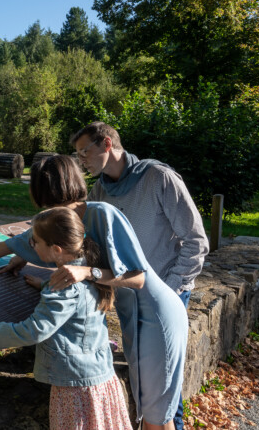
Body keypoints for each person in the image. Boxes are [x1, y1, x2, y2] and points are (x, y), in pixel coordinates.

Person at [0, 155, 188, 429]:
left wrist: (87, 273)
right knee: (147, 408)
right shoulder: (56, 227)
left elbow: (138, 278)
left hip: (156, 315)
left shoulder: (98, 216)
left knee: (158, 415)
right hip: (129, 320)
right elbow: (4, 247)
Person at [70, 121, 208, 430]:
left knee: (164, 390)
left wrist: (169, 293)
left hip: (165, 298)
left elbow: (196, 241)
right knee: (145, 383)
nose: (81, 161)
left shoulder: (158, 177)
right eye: (77, 155)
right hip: (129, 300)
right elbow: (84, 231)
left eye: (84, 152)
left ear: (107, 144)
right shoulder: (101, 189)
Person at [0, 207, 132, 430]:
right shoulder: (88, 265)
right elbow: (79, 304)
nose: (31, 247)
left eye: (35, 242)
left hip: (75, 387)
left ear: (56, 249)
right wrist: (45, 284)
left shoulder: (63, 289)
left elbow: (32, 331)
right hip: (98, 375)